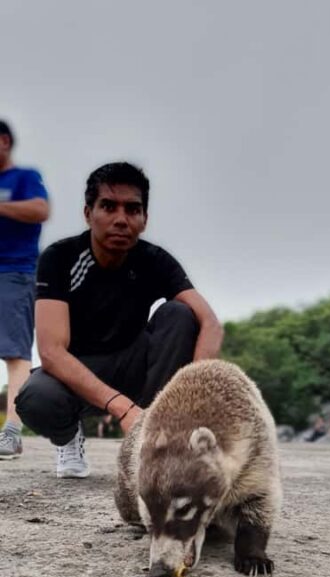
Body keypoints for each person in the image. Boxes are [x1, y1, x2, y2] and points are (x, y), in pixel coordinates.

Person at [16, 161, 223, 478]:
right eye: (108, 207)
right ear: (89, 214)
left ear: (144, 219)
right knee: (35, 398)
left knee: (180, 314)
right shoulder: (59, 259)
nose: (121, 220)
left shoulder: (155, 260)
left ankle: (157, 437)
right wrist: (122, 408)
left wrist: (193, 398)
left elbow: (210, 323)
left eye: (132, 209)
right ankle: (70, 438)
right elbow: (51, 351)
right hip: (75, 371)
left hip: (135, 365)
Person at [0, 120, 49, 460]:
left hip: (14, 272)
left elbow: (40, 210)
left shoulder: (24, 178)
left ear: (3, 142)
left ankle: (12, 432)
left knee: (15, 352)